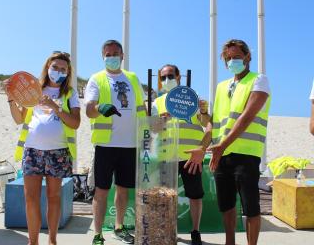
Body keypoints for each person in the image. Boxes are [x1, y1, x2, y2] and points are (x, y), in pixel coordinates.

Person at [185, 39, 271, 245]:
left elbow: (246, 117)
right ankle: (229, 242)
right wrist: (203, 146)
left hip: (246, 153)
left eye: (237, 57)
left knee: (251, 206)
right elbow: (214, 124)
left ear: (248, 57)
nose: (233, 61)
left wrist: (222, 146)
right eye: (229, 58)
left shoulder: (259, 80)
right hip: (221, 155)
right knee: (226, 204)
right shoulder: (222, 87)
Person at [5, 51, 81, 245]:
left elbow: (75, 123)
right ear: (47, 67)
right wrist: (11, 99)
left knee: (54, 197)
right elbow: (18, 119)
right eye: (55, 67)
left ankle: (52, 241)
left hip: (58, 152)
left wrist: (55, 107)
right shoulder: (34, 89)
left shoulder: (70, 94)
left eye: (63, 69)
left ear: (68, 72)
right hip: (32, 150)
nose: (58, 71)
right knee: (30, 198)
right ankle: (33, 242)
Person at [85, 40, 146, 245]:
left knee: (123, 190)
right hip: (105, 146)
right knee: (101, 191)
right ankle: (98, 234)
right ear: (103, 56)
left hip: (130, 146)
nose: (112, 57)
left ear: (122, 56)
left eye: (115, 53)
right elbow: (89, 110)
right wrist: (100, 107)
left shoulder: (132, 78)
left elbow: (141, 109)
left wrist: (146, 131)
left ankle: (119, 227)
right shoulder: (96, 79)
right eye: (108, 54)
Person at [152, 64, 210, 245]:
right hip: (166, 157)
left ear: (179, 77)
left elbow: (208, 123)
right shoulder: (157, 102)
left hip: (190, 158)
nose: (166, 80)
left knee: (195, 195)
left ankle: (195, 231)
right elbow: (152, 129)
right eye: (163, 77)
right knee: (165, 197)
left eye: (170, 76)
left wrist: (204, 111)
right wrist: (160, 121)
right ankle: (168, 230)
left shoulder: (193, 99)